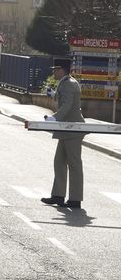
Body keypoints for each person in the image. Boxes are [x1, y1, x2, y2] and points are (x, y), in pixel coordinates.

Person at [41, 58, 86, 209]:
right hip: (66, 129)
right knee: (59, 162)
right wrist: (53, 94)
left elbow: (67, 105)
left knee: (74, 164)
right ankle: (58, 196)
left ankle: (75, 199)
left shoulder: (69, 84)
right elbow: (64, 99)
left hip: (73, 129)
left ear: (63, 70)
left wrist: (54, 118)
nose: (54, 71)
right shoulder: (66, 82)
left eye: (56, 69)